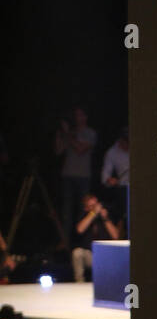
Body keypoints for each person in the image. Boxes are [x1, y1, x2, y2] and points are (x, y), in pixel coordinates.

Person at [55, 105, 97, 249]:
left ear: (85, 117)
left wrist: (67, 134)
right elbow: (58, 151)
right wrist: (60, 135)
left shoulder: (90, 133)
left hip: (83, 176)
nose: (77, 118)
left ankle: (82, 242)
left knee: (83, 209)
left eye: (80, 115)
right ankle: (64, 241)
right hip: (67, 174)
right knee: (66, 211)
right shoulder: (70, 133)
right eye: (75, 115)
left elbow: (80, 149)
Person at [70, 193, 119, 281]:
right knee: (77, 252)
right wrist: (93, 213)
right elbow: (80, 229)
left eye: (96, 205)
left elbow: (116, 236)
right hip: (90, 256)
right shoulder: (85, 216)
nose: (96, 208)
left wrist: (106, 218)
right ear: (86, 208)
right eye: (92, 206)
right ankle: (79, 283)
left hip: (105, 256)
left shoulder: (105, 217)